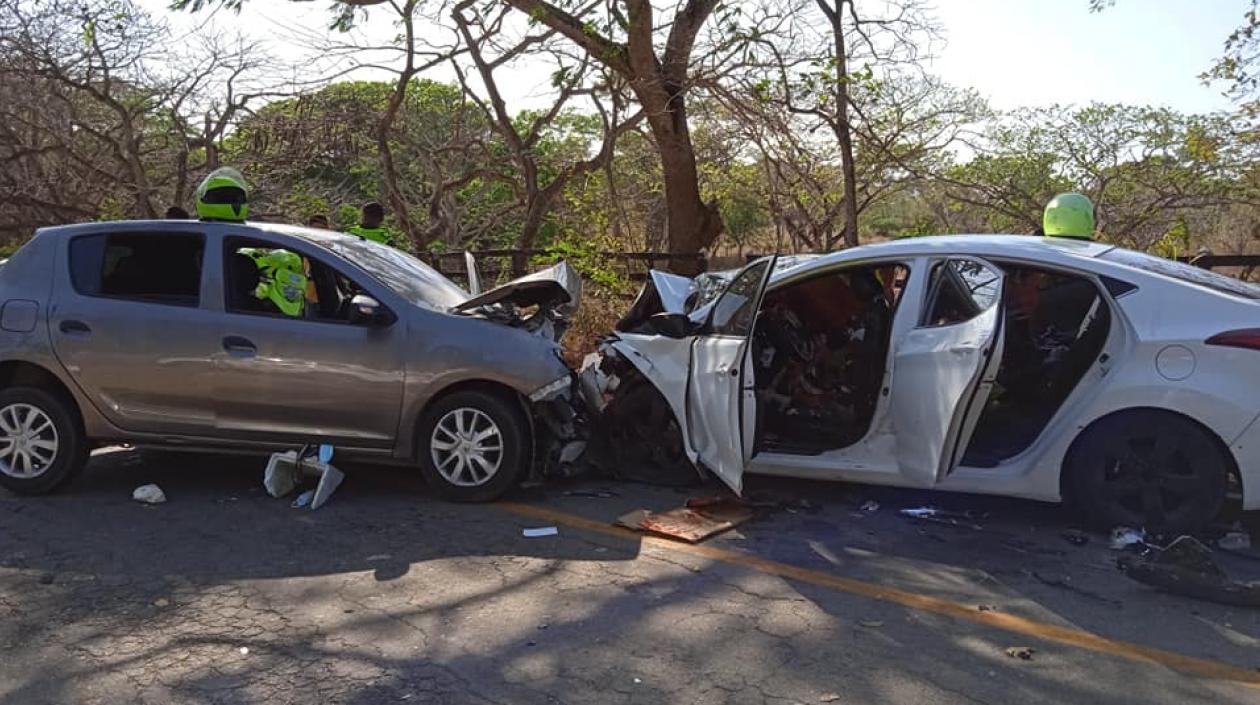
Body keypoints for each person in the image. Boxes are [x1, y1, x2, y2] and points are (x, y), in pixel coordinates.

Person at [240, 248, 309, 318]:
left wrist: (273, 272)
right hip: (278, 314)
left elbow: (301, 282)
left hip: (287, 313)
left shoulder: (290, 259)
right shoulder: (250, 257)